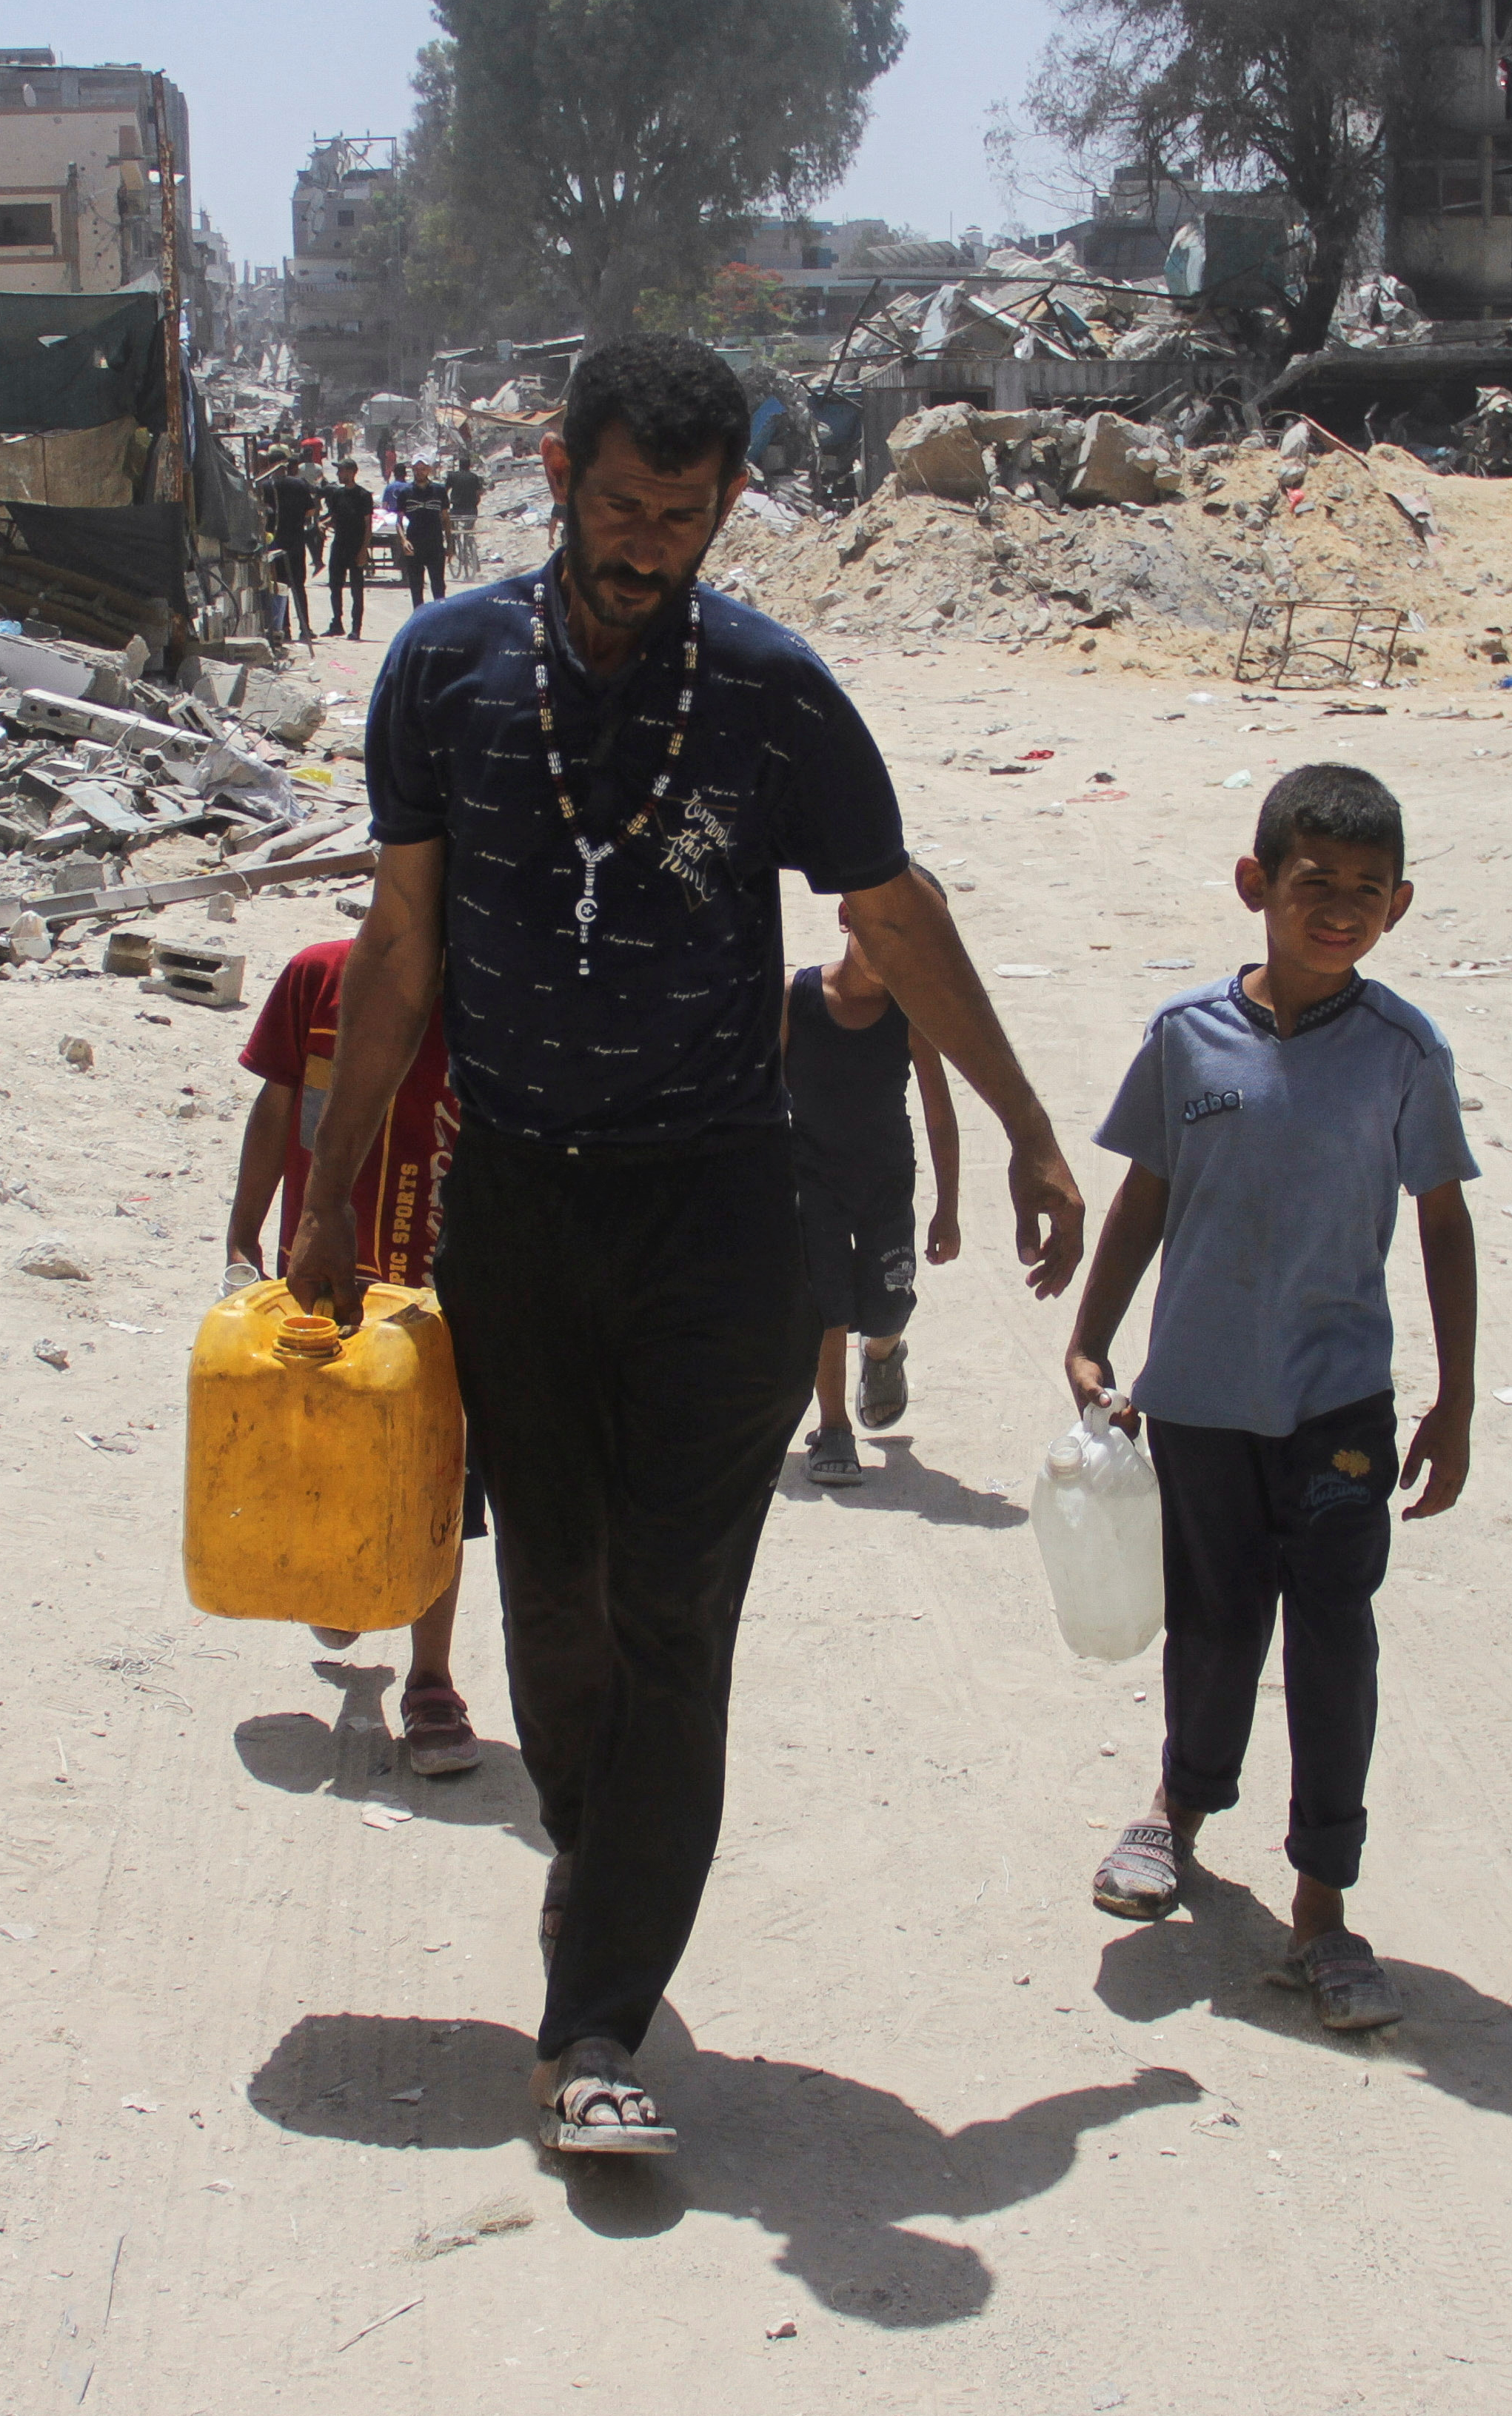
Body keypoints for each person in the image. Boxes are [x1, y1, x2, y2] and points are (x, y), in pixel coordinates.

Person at [286, 331, 1087, 2158]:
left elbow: (895, 911)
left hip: (723, 1210)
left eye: (683, 515)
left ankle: (593, 2022)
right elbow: (400, 943)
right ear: (557, 476)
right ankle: (598, 1866)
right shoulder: (442, 668)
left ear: (727, 505)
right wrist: (331, 1195)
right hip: (515, 1204)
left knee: (673, 1604)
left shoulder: (776, 696)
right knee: (552, 1593)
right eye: (621, 506)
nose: (645, 546)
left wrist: (1028, 1126)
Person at [1064, 765, 1479, 2036]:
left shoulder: (1404, 1052)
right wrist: (1090, 1337)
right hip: (1197, 1396)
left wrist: (1457, 1398)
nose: (1339, 907)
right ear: (1257, 884)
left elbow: (1443, 1220)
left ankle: (1322, 1902)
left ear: (1399, 904)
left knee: (1334, 1637)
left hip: (1338, 1405)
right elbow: (1146, 1191)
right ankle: (1178, 1809)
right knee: (1215, 1620)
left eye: (1367, 889)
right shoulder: (1188, 1035)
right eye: (1315, 882)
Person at [224, 936, 483, 1775]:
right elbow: (277, 1103)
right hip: (320, 1288)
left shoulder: (496, 998)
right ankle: (341, 1588)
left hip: (441, 1296)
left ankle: (431, 1682)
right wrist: (242, 1236)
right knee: (324, 1461)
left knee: (440, 1472)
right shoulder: (317, 978)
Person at [782, 898, 960, 1488]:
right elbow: (759, 1088)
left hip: (885, 1179)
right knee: (826, 1300)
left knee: (888, 1301)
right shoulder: (796, 998)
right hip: (811, 1175)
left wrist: (948, 1208)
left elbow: (939, 1112)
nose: (891, 950)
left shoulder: (910, 1014)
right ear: (846, 918)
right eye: (881, 931)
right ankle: (834, 1427)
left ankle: (883, 1355)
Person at [258, 449, 318, 646]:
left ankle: (284, 629)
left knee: (279, 587)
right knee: (299, 587)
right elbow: (311, 510)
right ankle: (305, 628)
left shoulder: (266, 486)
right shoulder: (299, 484)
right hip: (296, 542)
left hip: (275, 543)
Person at [319, 458, 378, 638]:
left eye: (341, 471)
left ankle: (356, 628)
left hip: (356, 546)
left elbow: (368, 525)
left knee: (356, 589)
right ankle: (337, 623)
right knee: (335, 586)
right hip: (339, 545)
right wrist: (323, 524)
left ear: (352, 472)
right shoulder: (337, 494)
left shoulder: (363, 496)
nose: (338, 474)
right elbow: (334, 517)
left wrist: (364, 550)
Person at [402, 461, 455, 610]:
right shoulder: (406, 492)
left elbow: (445, 518)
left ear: (429, 470)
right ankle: (419, 617)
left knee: (438, 585)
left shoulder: (439, 491)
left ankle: (439, 617)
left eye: (423, 469)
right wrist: (404, 540)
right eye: (417, 469)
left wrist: (450, 544)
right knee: (416, 586)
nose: (420, 472)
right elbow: (399, 520)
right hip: (414, 543)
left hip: (435, 543)